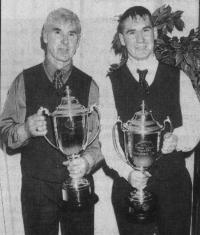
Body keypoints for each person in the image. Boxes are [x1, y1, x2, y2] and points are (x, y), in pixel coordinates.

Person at [0, 8, 103, 235]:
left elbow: (99, 144)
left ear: (78, 41)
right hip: (37, 190)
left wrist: (86, 162)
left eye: (72, 34)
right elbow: (4, 134)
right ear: (45, 36)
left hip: (80, 187)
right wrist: (26, 129)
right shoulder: (23, 81)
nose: (65, 42)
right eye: (58, 33)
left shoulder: (90, 86)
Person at [100, 6, 200, 235]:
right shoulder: (110, 83)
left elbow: (196, 125)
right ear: (121, 39)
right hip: (129, 187)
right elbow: (106, 139)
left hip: (174, 186)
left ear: (155, 33)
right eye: (131, 33)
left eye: (146, 30)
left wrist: (177, 138)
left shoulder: (179, 77)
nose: (140, 39)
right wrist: (128, 174)